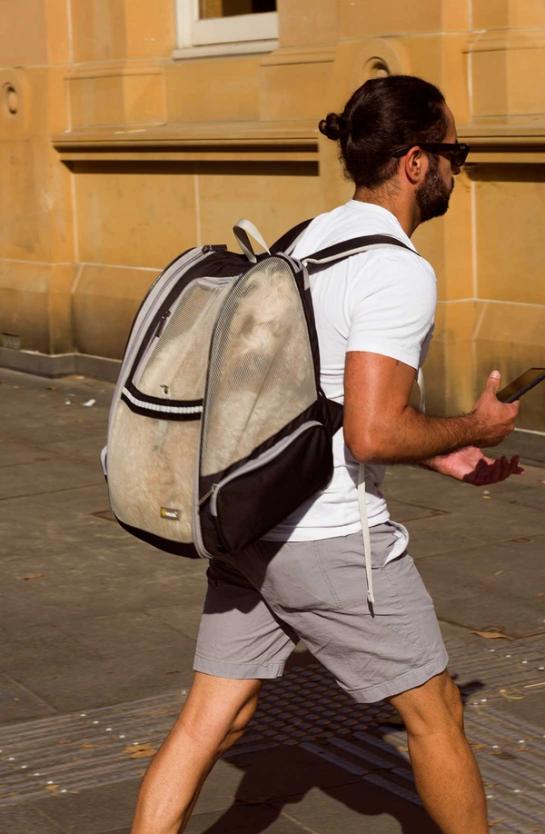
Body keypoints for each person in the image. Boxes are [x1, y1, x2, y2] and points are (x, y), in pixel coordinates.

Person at [130, 75, 521, 834]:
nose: (456, 169)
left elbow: (319, 399)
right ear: (414, 162)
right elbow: (374, 432)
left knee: (215, 718)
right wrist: (471, 427)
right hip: (329, 536)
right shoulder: (397, 269)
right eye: (453, 152)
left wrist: (435, 454)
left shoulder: (304, 240)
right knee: (435, 711)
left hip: (250, 522)